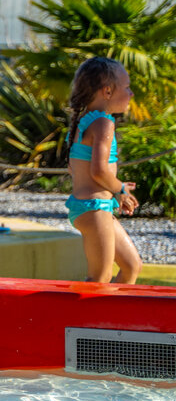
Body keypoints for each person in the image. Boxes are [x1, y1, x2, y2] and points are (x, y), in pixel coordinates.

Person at [65, 56, 141, 283]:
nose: (131, 93)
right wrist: (119, 189)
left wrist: (114, 191)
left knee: (131, 265)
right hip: (94, 208)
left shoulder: (84, 122)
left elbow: (76, 168)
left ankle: (113, 318)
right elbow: (98, 171)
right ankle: (81, 319)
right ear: (107, 92)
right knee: (99, 279)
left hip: (95, 206)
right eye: (127, 87)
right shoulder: (103, 123)